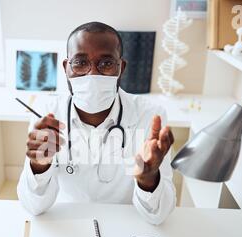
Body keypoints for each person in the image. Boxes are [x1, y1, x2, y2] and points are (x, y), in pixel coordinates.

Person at [17, 22, 176, 225]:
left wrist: (149, 180)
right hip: (68, 223)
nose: (92, 74)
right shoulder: (47, 114)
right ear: (66, 68)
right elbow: (33, 207)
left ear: (121, 68)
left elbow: (159, 216)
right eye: (80, 63)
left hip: (126, 223)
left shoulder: (149, 116)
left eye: (106, 63)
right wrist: (38, 165)